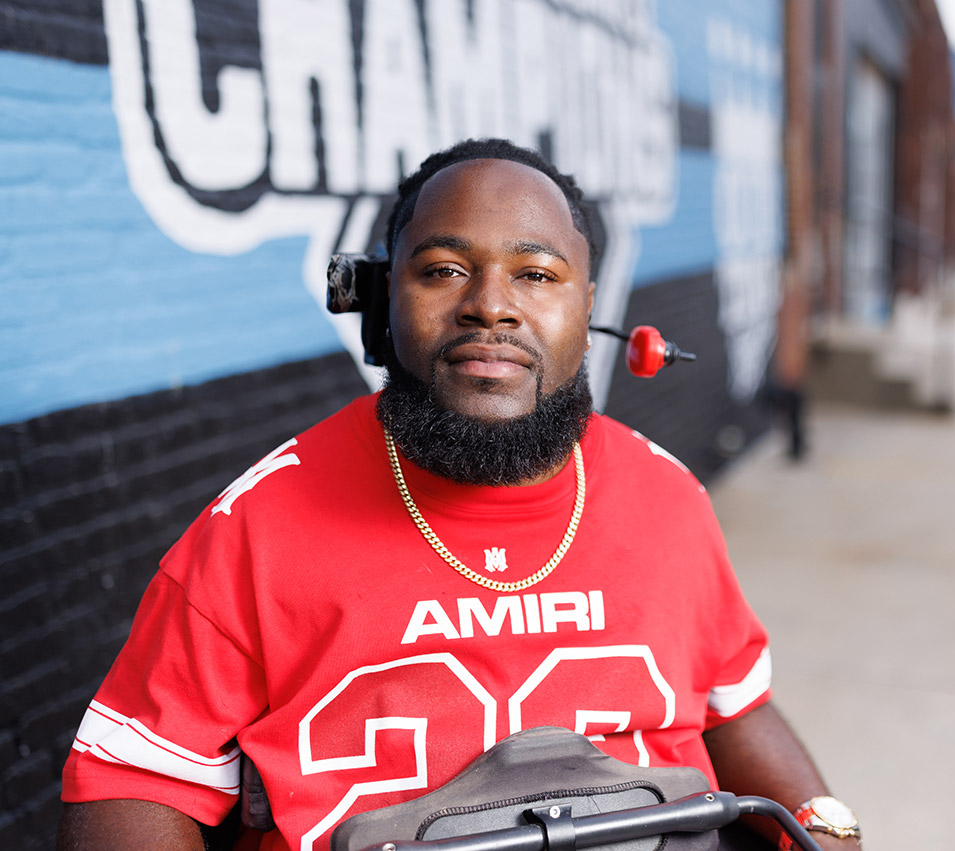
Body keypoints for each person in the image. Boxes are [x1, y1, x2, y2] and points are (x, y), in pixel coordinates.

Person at [57, 139, 862, 851]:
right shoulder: (255, 528)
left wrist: (829, 827)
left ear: (589, 308)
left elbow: (736, 707)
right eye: (443, 269)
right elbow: (130, 783)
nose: (490, 303)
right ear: (381, 300)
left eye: (536, 273)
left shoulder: (668, 496)